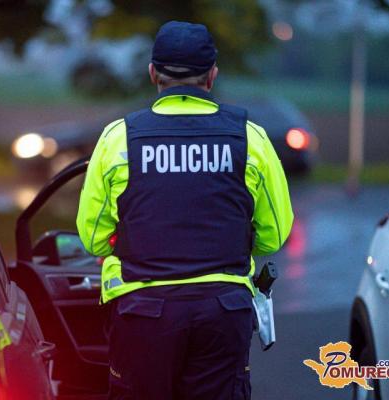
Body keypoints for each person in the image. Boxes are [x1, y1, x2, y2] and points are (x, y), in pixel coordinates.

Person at [76, 20, 293, 400]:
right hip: (223, 311)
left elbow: (93, 238)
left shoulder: (118, 138)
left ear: (153, 74)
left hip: (143, 313)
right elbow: (273, 234)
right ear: (212, 75)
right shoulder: (250, 137)